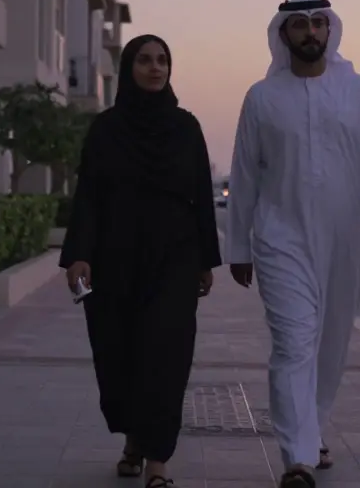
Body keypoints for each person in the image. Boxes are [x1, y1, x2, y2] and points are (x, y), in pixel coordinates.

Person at [226, 0, 360, 488]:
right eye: (299, 24)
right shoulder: (262, 97)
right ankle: (297, 458)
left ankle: (313, 425)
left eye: (318, 23)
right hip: (281, 236)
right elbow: (243, 177)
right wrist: (238, 247)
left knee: (330, 343)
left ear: (330, 30)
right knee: (293, 343)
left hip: (345, 236)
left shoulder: (358, 91)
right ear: (283, 34)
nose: (309, 32)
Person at [60, 34, 222, 488]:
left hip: (173, 256)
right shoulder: (107, 129)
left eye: (163, 60)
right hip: (114, 258)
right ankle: (133, 438)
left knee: (166, 355)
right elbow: (89, 194)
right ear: (130, 67)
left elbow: (201, 200)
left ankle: (158, 462)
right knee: (119, 354)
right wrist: (79, 256)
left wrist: (205, 261)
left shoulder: (186, 128)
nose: (156, 68)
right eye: (146, 60)